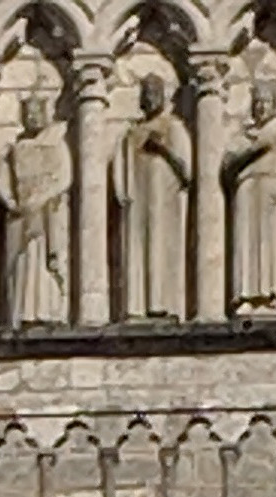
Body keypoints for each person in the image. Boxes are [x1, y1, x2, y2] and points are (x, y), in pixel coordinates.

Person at [113, 70, 189, 318]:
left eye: (156, 93)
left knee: (161, 245)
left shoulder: (173, 127)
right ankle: (136, 306)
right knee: (137, 246)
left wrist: (163, 149)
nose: (152, 98)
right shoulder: (132, 133)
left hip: (164, 198)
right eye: (147, 94)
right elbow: (120, 165)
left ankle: (163, 304)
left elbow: (186, 169)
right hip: (139, 198)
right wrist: (122, 190)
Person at [224, 73, 276, 315]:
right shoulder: (243, 136)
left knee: (274, 242)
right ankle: (246, 295)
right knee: (246, 242)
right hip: (247, 189)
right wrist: (253, 148)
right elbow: (228, 165)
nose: (261, 106)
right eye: (257, 102)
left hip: (273, 190)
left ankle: (275, 294)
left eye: (266, 101)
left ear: (274, 105)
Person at [0, 89, 70, 326]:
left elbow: (64, 177)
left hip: (47, 212)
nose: (33, 118)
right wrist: (11, 201)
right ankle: (22, 312)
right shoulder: (17, 148)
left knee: (44, 260)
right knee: (23, 262)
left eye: (37, 113)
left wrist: (43, 197)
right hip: (21, 213)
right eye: (28, 113)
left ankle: (48, 311)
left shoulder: (56, 144)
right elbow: (3, 179)